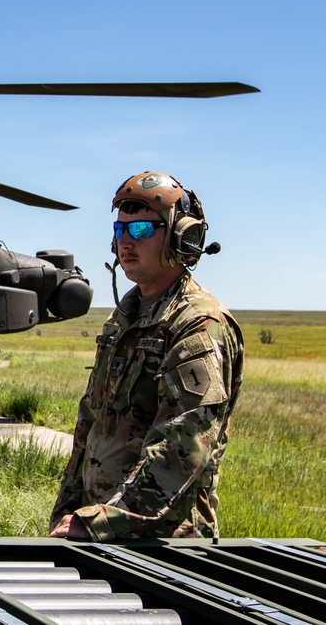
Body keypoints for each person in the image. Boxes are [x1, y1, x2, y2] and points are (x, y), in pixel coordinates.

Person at [49, 171, 243, 541]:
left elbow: (183, 446)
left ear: (180, 236)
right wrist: (68, 509)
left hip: (163, 539)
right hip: (101, 530)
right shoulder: (124, 318)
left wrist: (99, 522)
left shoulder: (197, 324)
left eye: (140, 230)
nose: (125, 242)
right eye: (119, 230)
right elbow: (91, 424)